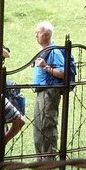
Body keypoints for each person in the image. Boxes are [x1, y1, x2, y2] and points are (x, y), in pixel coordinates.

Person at [32, 21, 68, 157]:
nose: (36, 35)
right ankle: (40, 158)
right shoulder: (42, 51)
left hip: (49, 92)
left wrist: (45, 67)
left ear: (47, 35)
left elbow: (63, 73)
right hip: (40, 92)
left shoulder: (54, 51)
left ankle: (49, 158)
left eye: (39, 32)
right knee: (38, 125)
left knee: (47, 124)